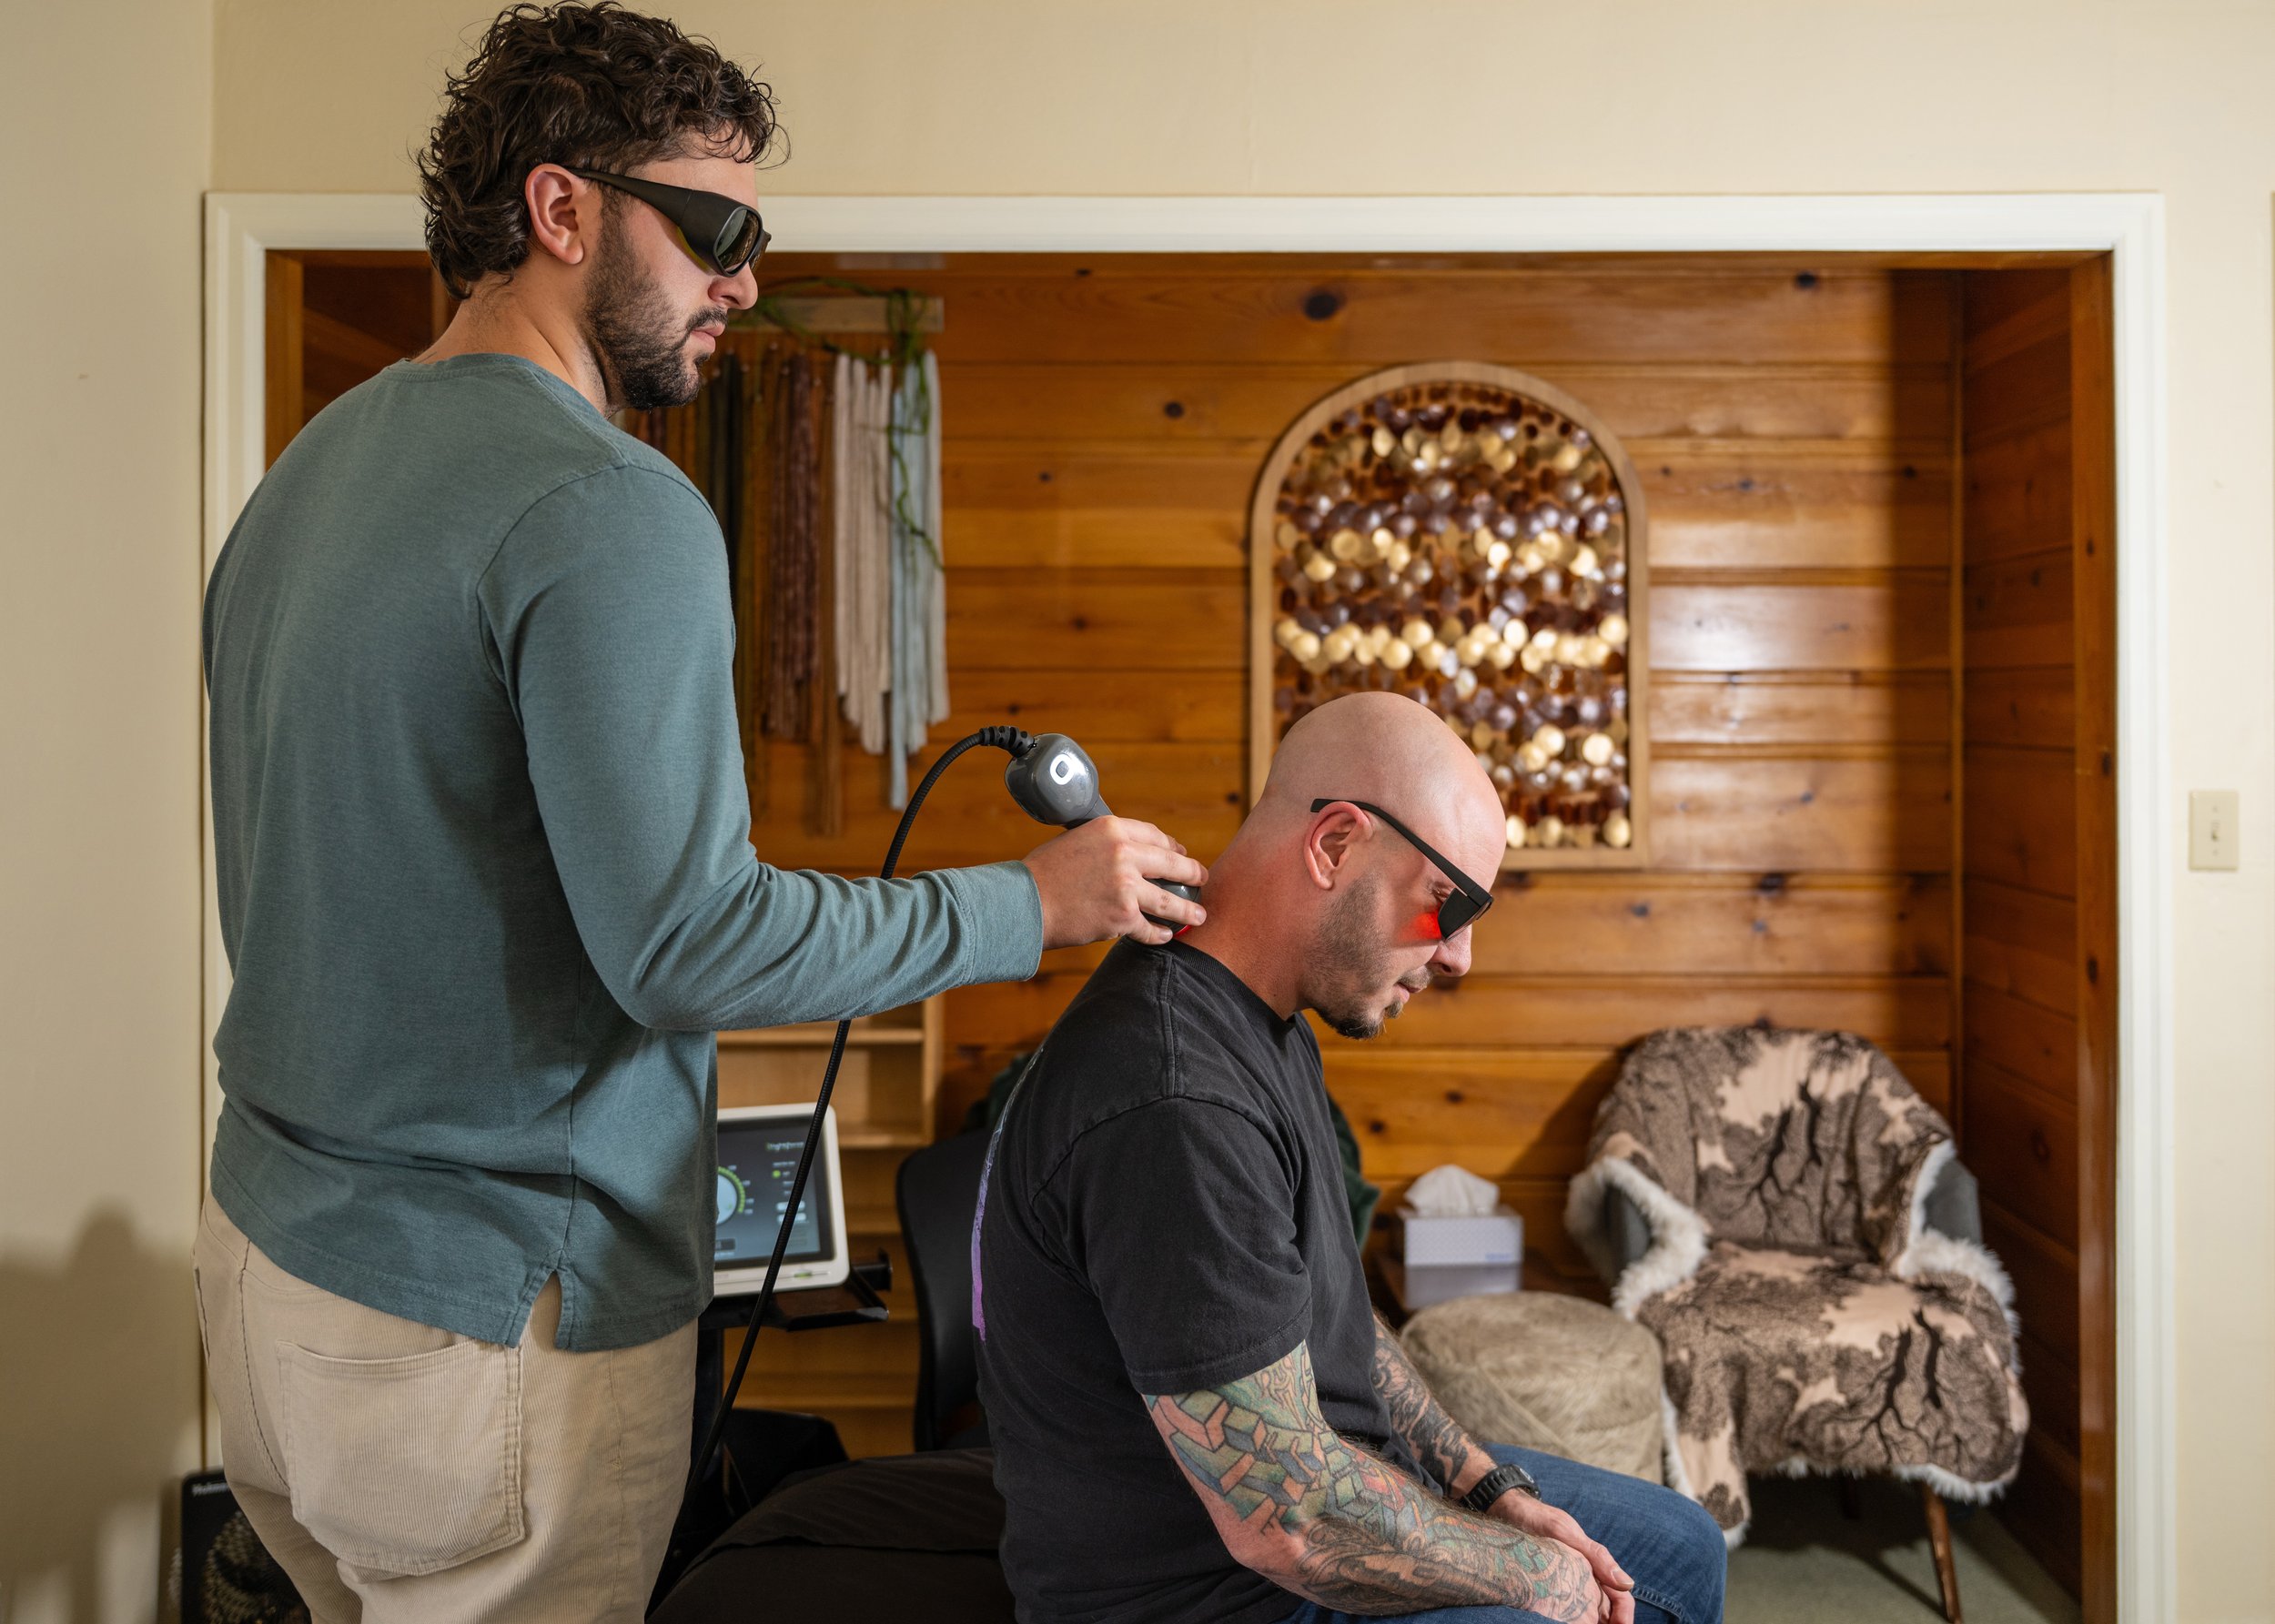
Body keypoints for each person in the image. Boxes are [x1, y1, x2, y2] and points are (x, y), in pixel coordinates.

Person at [195, 5, 1205, 1619]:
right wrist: (1032, 902)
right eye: (716, 229)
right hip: (488, 1329)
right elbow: (687, 944)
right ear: (562, 209)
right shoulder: (608, 505)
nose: (744, 277)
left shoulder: (309, 472)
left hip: (271, 1276)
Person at [974, 691, 1726, 1624]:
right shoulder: (1176, 1101)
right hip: (1225, 1595)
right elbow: (1287, 1521)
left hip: (1330, 1489)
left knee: (1680, 1547)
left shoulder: (1266, 1016)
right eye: (1449, 905)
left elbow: (1335, 1320)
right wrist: (1534, 1576)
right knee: (1586, 1594)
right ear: (1335, 844)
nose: (1458, 958)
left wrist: (1490, 1490)